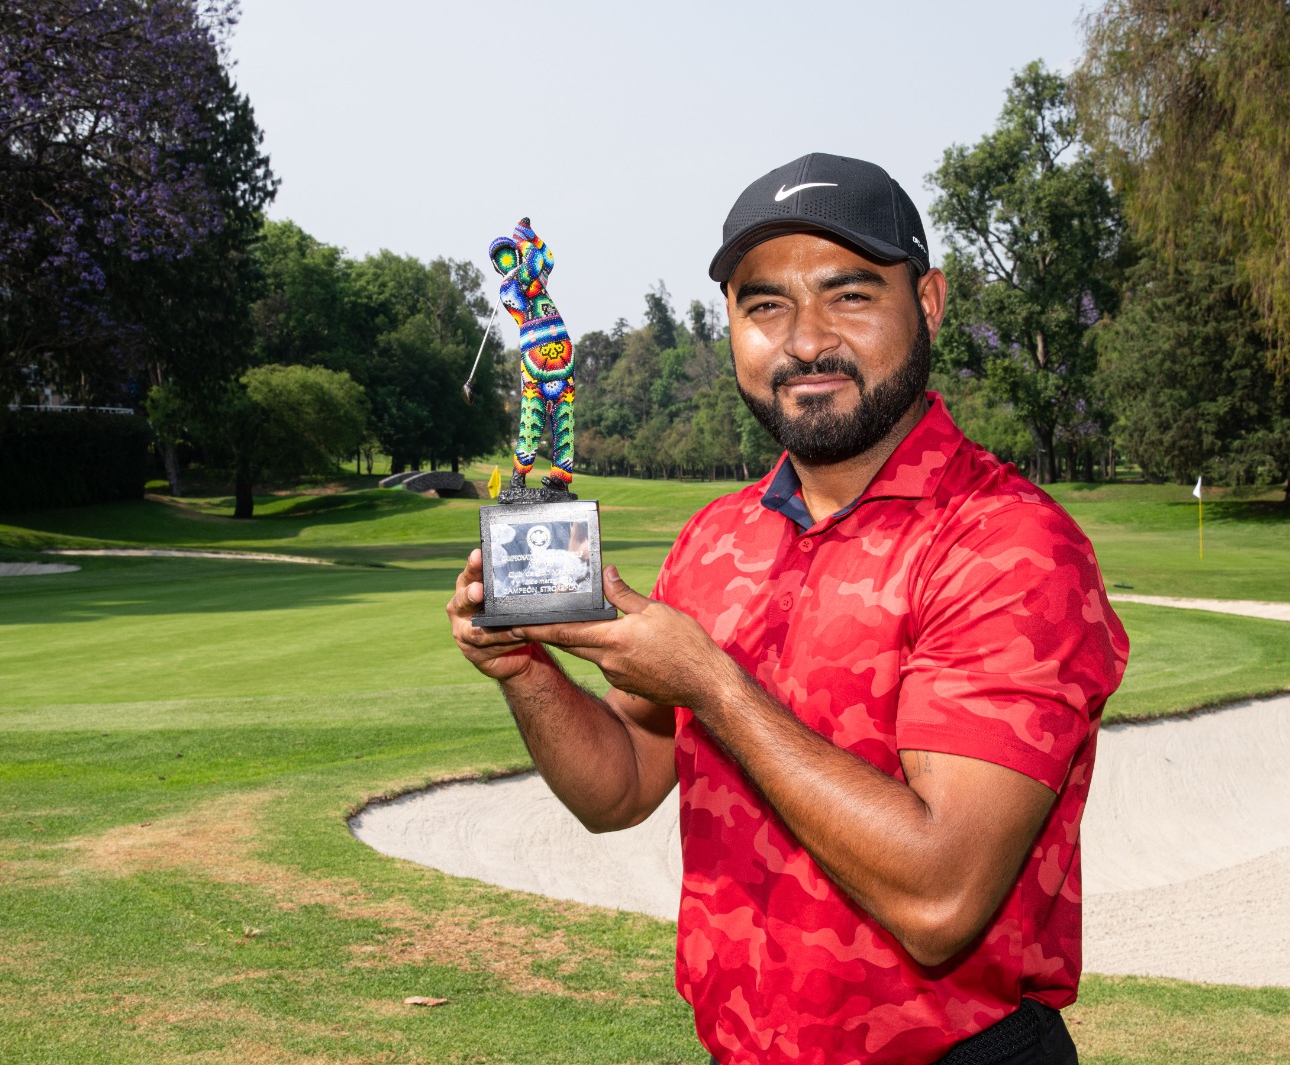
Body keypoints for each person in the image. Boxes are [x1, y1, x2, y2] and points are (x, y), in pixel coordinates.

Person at [447, 153, 1128, 1065]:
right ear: (731, 325)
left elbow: (941, 899)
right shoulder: (714, 540)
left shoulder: (1007, 547)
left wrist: (713, 686)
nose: (806, 340)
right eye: (766, 305)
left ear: (927, 303)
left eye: (849, 295)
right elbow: (617, 788)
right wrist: (524, 670)